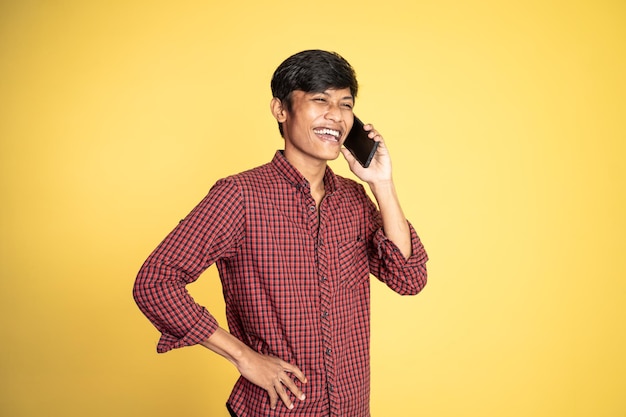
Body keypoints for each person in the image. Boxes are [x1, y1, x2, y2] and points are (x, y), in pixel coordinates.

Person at [133, 49, 428, 417]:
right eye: (320, 100)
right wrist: (243, 357)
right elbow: (155, 282)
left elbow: (409, 277)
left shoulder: (354, 199)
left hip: (352, 408)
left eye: (345, 104)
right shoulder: (240, 196)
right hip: (276, 410)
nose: (335, 115)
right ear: (280, 110)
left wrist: (382, 184)